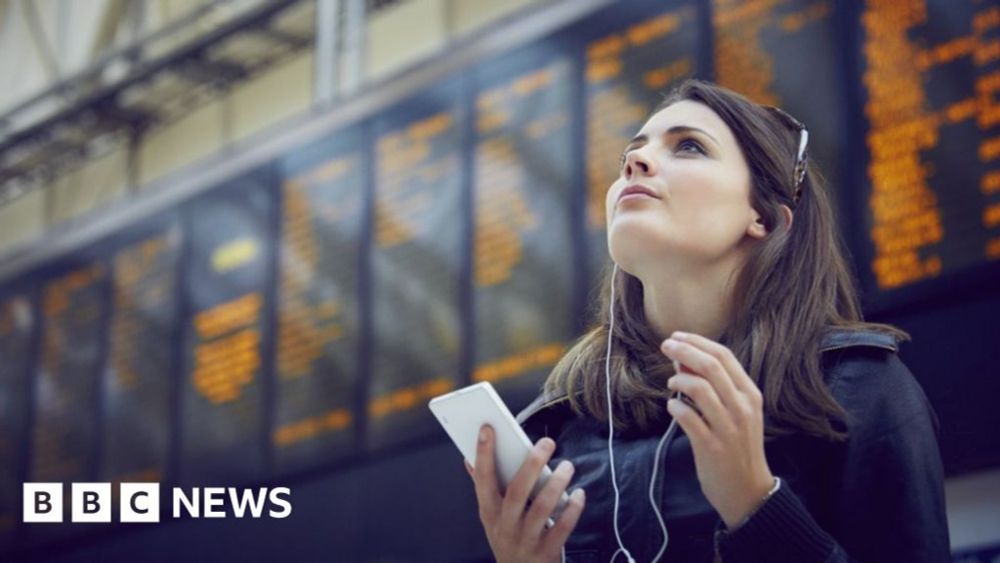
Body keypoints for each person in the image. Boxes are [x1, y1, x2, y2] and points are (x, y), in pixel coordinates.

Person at [464, 79, 951, 562]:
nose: (636, 162)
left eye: (689, 147)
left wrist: (756, 504)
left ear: (764, 218)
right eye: (629, 156)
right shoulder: (561, 425)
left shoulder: (857, 388)